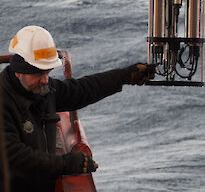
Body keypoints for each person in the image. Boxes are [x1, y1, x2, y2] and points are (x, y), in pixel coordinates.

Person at [0, 25, 155, 192]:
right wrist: (66, 163)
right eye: (39, 73)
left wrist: (124, 76)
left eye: (48, 72)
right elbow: (13, 157)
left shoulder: (40, 90)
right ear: (18, 71)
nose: (45, 80)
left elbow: (81, 90)